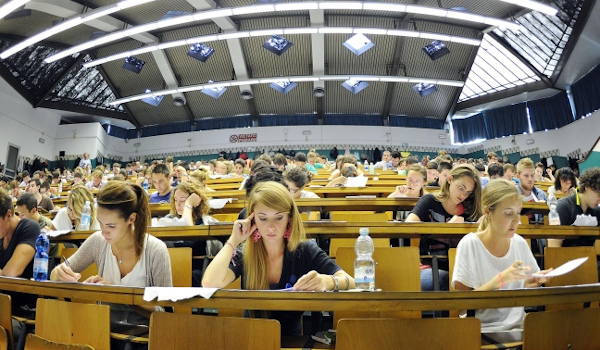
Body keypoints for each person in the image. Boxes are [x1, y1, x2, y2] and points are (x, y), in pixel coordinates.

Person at [202, 182, 354, 335]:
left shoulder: (304, 249)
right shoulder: (246, 253)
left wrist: (327, 281)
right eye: (263, 219)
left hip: (292, 340)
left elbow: (350, 281)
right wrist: (234, 240)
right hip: (251, 337)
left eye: (279, 218)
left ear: (290, 218)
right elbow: (209, 283)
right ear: (252, 219)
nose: (271, 227)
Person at [50, 182, 172, 333]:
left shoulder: (156, 250)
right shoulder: (98, 241)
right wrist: (60, 273)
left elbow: (165, 312)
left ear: (131, 219)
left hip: (146, 335)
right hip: (102, 331)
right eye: (100, 223)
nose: (103, 232)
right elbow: (55, 275)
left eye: (111, 226)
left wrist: (118, 294)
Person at [453, 179, 551, 332]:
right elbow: (460, 307)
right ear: (487, 212)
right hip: (481, 331)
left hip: (518, 328)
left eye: (518, 213)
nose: (516, 221)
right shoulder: (470, 244)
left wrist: (532, 283)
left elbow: (525, 290)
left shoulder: (519, 243)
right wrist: (500, 280)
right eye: (508, 213)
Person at [164, 182, 222, 286]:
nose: (178, 204)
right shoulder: (168, 220)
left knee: (192, 278)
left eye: (183, 200)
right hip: (172, 267)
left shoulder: (206, 222)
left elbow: (188, 233)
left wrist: (188, 205)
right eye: (176, 200)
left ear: (196, 202)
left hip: (200, 270)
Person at [548, 167, 600, 248]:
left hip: (589, 257)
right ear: (587, 186)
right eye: (598, 193)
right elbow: (553, 247)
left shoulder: (597, 211)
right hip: (565, 258)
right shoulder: (562, 207)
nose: (599, 199)